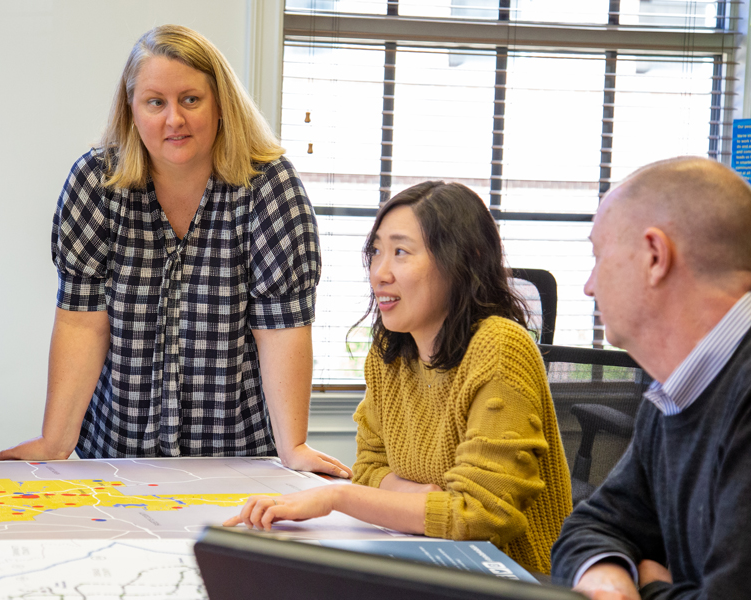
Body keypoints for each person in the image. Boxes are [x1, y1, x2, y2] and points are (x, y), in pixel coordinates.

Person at [0, 25, 349, 477]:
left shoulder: (270, 187)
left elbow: (282, 326)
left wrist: (293, 446)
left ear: (221, 104)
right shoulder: (95, 183)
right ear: (132, 110)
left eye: (191, 100)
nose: (173, 119)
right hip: (115, 453)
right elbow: (82, 321)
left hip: (238, 456)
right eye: (155, 102)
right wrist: (55, 441)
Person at [225, 181, 573, 575]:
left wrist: (337, 497)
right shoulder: (390, 352)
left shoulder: (499, 348)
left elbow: (479, 515)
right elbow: (370, 466)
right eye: (376, 252)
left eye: (401, 252)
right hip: (426, 562)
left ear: (462, 261)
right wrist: (423, 497)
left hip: (511, 577)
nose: (379, 273)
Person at [551, 157, 751, 599]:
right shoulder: (674, 391)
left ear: (655, 256)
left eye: (599, 256)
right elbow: (593, 524)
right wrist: (607, 577)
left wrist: (650, 589)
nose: (589, 285)